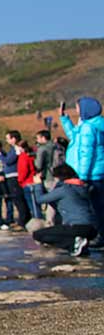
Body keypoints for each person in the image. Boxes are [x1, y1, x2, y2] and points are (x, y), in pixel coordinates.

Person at [61, 97, 104, 247]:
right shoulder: (92, 125)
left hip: (89, 174)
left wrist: (83, 176)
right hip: (96, 172)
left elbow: (86, 153)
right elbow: (74, 137)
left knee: (95, 207)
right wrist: (65, 119)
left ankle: (99, 236)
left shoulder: (88, 127)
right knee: (97, 205)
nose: (77, 110)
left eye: (78, 107)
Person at [32, 164, 98, 257]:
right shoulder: (82, 187)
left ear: (58, 178)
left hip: (76, 227)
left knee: (38, 235)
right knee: (60, 231)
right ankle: (80, 246)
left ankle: (73, 243)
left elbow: (40, 199)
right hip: (92, 229)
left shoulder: (64, 189)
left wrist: (38, 184)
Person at [12, 140, 35, 228]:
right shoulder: (30, 155)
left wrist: (20, 180)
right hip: (30, 181)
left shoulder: (23, 156)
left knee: (27, 203)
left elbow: (23, 170)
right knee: (31, 203)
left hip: (26, 182)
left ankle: (26, 222)